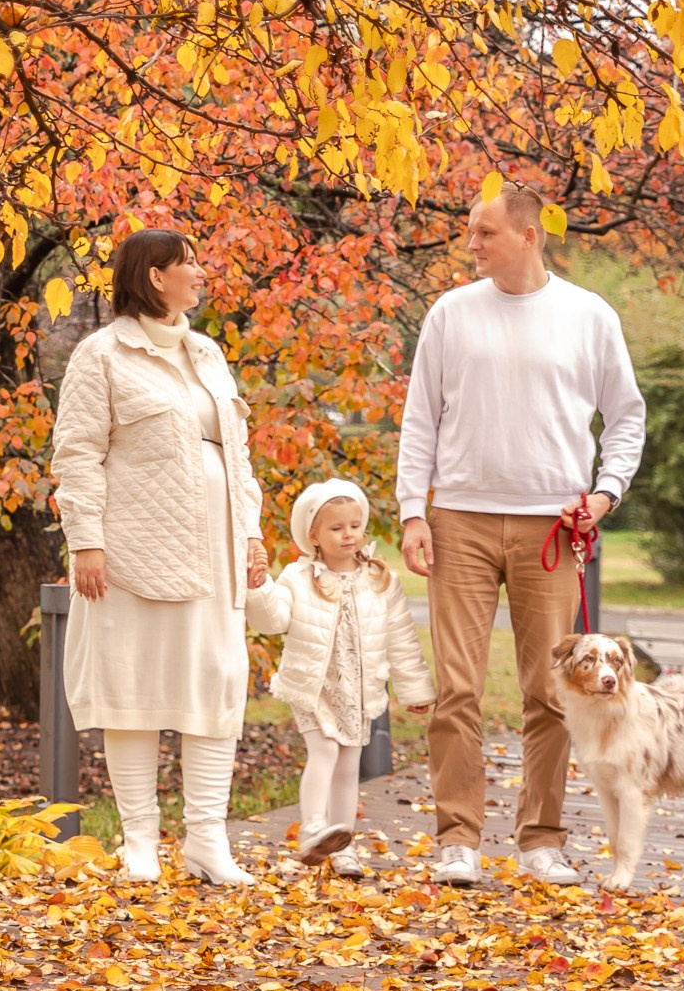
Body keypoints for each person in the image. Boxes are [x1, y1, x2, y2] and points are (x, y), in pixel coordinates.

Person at [396, 183, 647, 889]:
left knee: (550, 691)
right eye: (471, 233)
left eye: (484, 233)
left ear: (529, 236)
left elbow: (626, 416)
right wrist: (414, 510)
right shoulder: (450, 313)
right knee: (457, 689)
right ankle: (457, 838)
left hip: (552, 525)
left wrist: (605, 492)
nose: (470, 244)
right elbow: (421, 420)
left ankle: (542, 839)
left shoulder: (588, 316)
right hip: (461, 521)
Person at [50, 227, 270, 884]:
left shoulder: (207, 353)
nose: (200, 273)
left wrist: (252, 533)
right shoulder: (102, 355)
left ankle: (207, 841)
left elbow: (240, 456)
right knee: (134, 688)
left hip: (216, 556)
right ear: (154, 276)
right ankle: (139, 843)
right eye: (189, 264)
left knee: (215, 682)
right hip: (129, 555)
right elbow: (77, 453)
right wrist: (86, 540)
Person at [246, 479, 434, 877]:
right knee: (325, 752)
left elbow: (401, 635)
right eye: (336, 528)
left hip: (358, 688)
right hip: (314, 685)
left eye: (355, 525)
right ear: (313, 534)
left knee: (349, 766)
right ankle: (313, 827)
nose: (348, 534)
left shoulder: (381, 579)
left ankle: (343, 843)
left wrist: (414, 687)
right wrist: (260, 588)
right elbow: (272, 621)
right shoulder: (298, 579)